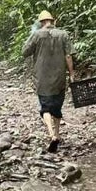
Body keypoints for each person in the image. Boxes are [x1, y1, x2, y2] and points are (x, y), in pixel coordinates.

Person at [22, 10, 74, 152]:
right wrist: (72, 73)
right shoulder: (63, 34)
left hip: (42, 77)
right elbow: (68, 56)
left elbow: (25, 52)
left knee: (45, 106)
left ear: (41, 23)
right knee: (57, 107)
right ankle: (57, 133)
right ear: (53, 21)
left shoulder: (36, 35)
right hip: (59, 76)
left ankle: (52, 135)